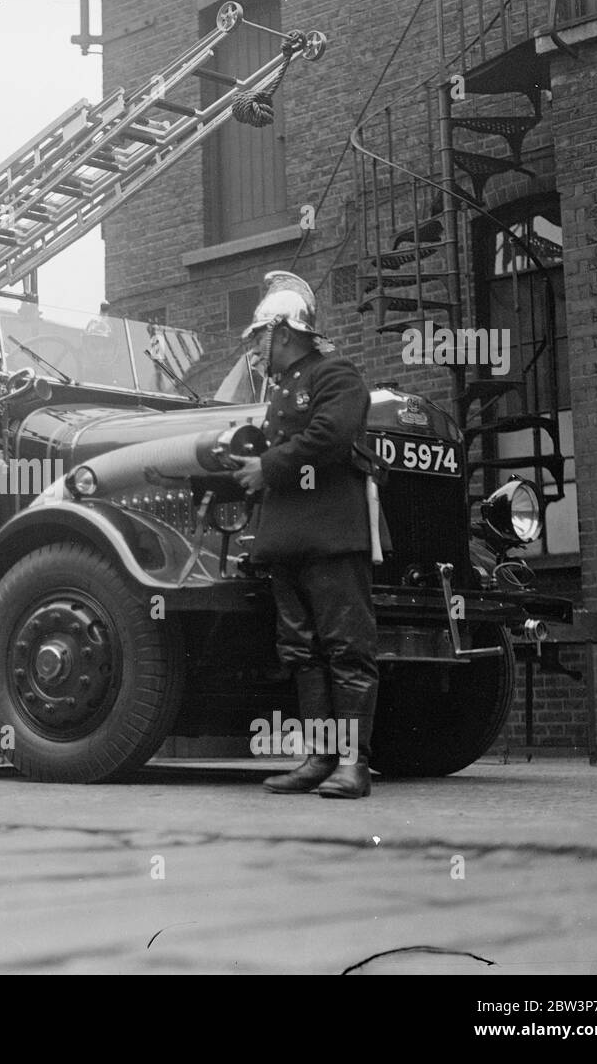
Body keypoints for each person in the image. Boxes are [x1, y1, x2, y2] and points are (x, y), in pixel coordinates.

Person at [229, 271, 379, 799]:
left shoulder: (335, 374)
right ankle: (318, 758)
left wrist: (266, 468)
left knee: (346, 649)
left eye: (259, 338)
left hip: (331, 537)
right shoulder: (283, 390)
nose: (256, 349)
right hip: (290, 540)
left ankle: (353, 766)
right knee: (301, 651)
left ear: (283, 331)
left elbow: (329, 438)